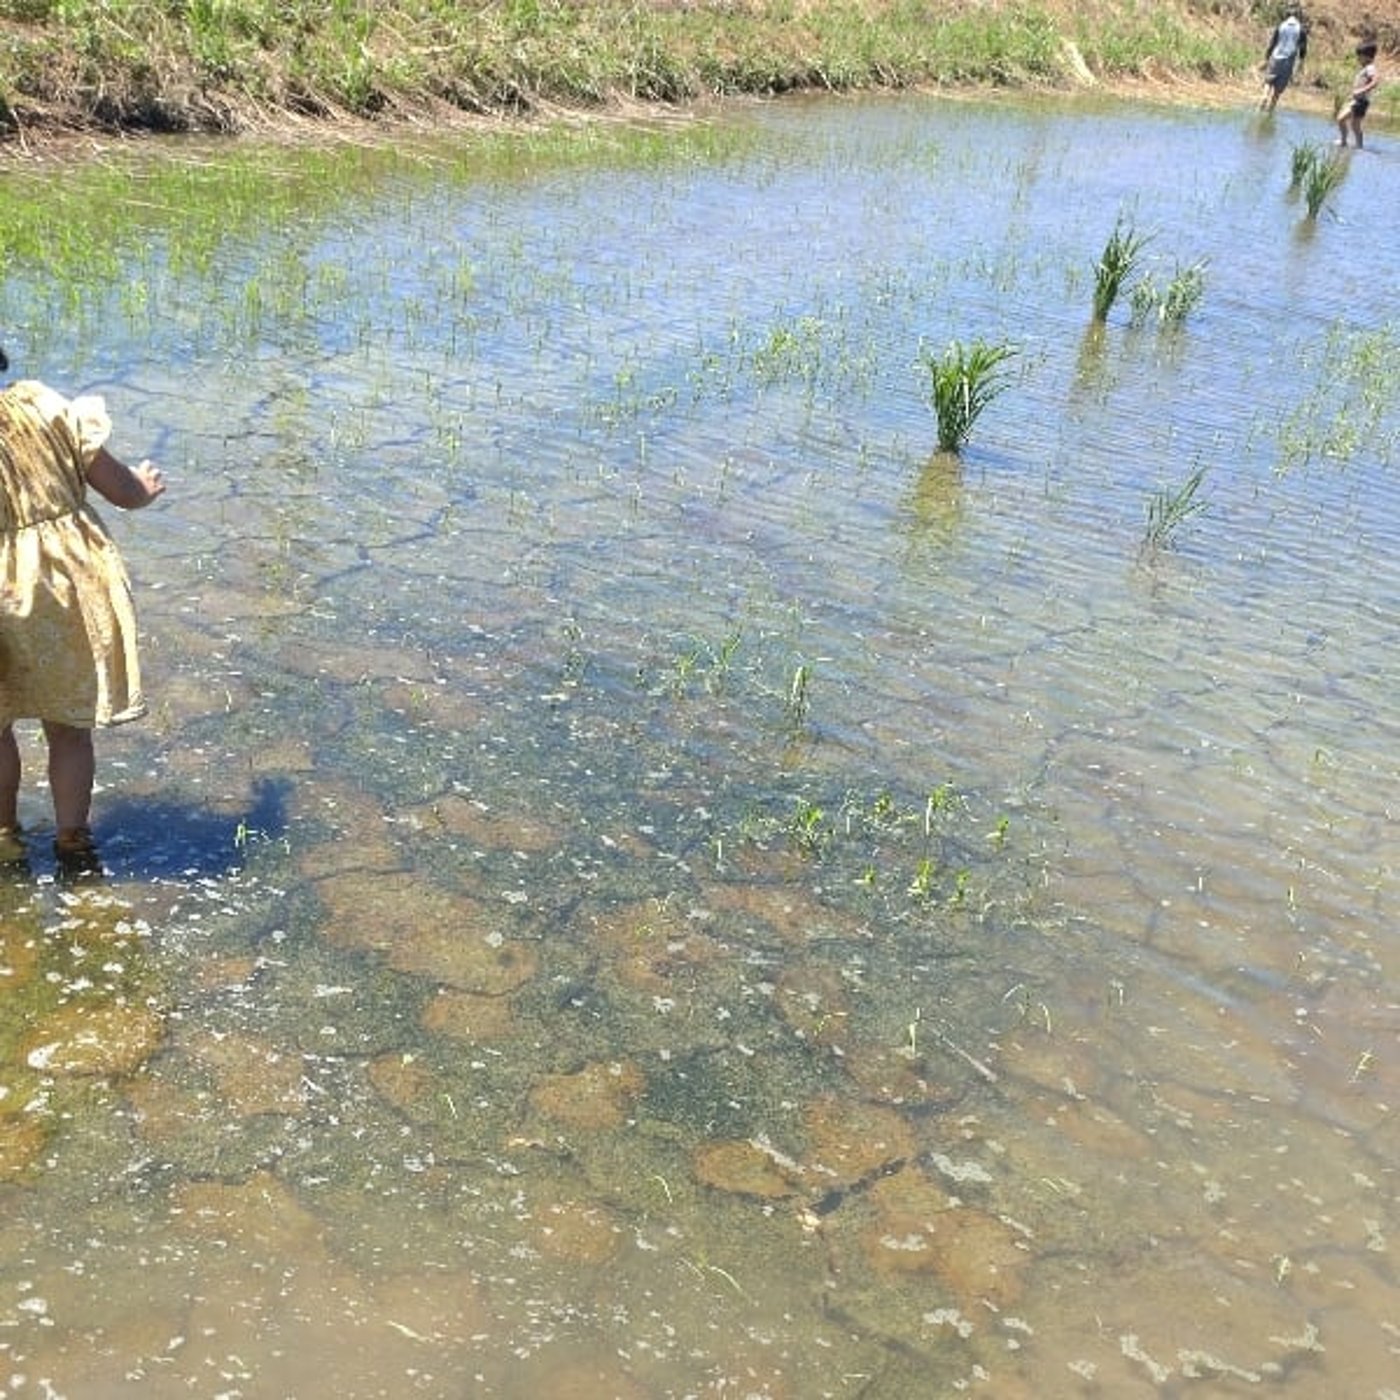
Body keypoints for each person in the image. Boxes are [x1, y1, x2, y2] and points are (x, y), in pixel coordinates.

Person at [0, 346, 165, 875]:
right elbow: (121, 490)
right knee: (69, 727)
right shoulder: (42, 404)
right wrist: (143, 489)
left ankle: (5, 835)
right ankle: (72, 839)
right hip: (66, 585)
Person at [1260, 10, 1308, 111]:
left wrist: (1266, 58)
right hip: (1288, 61)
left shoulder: (1281, 26)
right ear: (1298, 17)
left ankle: (1264, 96)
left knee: (1268, 81)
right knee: (1278, 88)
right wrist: (1301, 63)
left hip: (1275, 57)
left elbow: (1273, 43)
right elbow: (1303, 48)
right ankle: (1271, 108)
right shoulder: (1301, 29)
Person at [1337, 41, 1380, 147]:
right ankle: (1354, 145)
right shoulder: (1366, 68)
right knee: (1351, 124)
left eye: (1359, 56)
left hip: (1361, 101)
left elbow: (1375, 81)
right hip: (1358, 101)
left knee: (1346, 121)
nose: (1358, 59)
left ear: (1367, 56)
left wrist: (1361, 91)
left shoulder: (1370, 68)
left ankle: (1348, 143)